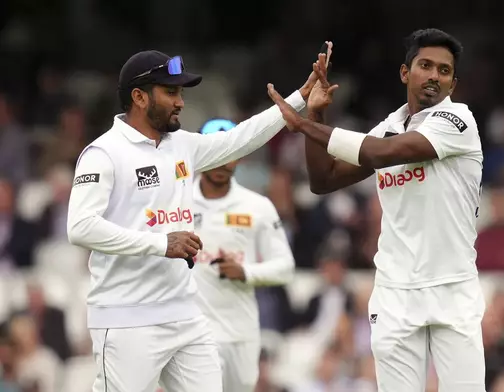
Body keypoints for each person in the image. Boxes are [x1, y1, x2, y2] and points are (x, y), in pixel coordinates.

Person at [67, 48, 323, 392]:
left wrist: (299, 98)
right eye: (170, 92)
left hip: (186, 316)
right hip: (127, 318)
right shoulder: (104, 153)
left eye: (181, 93)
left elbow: (238, 140)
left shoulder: (181, 145)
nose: (181, 102)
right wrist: (161, 243)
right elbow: (80, 227)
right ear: (139, 97)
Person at [267, 30, 486, 391]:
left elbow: (383, 153)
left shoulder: (458, 122)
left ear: (453, 83)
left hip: (452, 290)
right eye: (425, 65)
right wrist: (318, 113)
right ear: (405, 73)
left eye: (444, 71)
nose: (434, 75)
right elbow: (324, 180)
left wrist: (304, 124)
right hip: (394, 292)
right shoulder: (390, 126)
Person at [190, 117, 295, 392]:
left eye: (232, 154)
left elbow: (285, 268)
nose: (224, 162)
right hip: (192, 334)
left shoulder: (257, 206)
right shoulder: (178, 202)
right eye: (216, 153)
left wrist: (246, 272)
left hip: (240, 333)